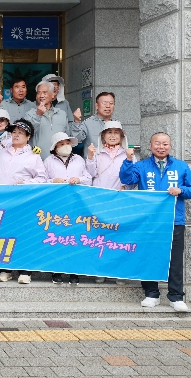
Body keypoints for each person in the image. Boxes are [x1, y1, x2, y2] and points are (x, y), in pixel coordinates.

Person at [120, 133, 191, 312]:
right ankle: (151, 294)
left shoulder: (181, 166)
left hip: (174, 219)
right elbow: (127, 180)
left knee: (175, 259)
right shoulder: (141, 166)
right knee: (148, 255)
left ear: (170, 145)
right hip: (149, 220)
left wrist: (181, 190)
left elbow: (190, 189)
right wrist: (128, 160)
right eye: (157, 143)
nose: (161, 147)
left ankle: (176, 297)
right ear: (151, 146)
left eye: (165, 144)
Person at [0, 119, 46, 285]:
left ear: (28, 137)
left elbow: (42, 178)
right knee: (3, 235)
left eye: (20, 133)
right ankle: (5, 269)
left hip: (23, 202)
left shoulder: (33, 156)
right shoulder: (1, 152)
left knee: (23, 235)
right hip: (1, 201)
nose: (16, 135)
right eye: (14, 132)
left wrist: (26, 183)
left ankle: (25, 271)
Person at [87, 121, 135, 284]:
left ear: (122, 136)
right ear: (103, 135)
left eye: (116, 132)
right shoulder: (97, 153)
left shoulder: (128, 153)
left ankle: (118, 271)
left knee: (118, 235)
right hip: (99, 200)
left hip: (119, 200)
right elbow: (90, 174)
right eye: (109, 132)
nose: (113, 135)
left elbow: (133, 177)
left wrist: (126, 187)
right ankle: (100, 270)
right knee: (99, 235)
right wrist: (90, 157)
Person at [43, 132, 92, 286]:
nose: (65, 146)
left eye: (67, 143)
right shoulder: (48, 161)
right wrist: (53, 181)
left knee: (74, 237)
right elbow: (42, 180)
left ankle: (74, 271)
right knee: (56, 237)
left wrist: (79, 179)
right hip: (56, 205)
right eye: (61, 144)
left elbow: (89, 178)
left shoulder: (79, 159)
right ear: (55, 147)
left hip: (76, 204)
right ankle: (56, 271)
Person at [24, 81, 85, 160]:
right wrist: (37, 115)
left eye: (45, 92)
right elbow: (26, 134)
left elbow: (70, 137)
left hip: (59, 161)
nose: (41, 95)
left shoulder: (62, 114)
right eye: (39, 93)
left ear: (53, 95)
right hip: (37, 161)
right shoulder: (29, 114)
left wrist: (76, 121)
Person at [81, 92, 116, 157]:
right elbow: (76, 140)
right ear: (97, 106)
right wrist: (76, 122)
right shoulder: (87, 123)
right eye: (104, 103)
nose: (108, 106)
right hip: (93, 162)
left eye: (111, 103)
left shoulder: (116, 124)